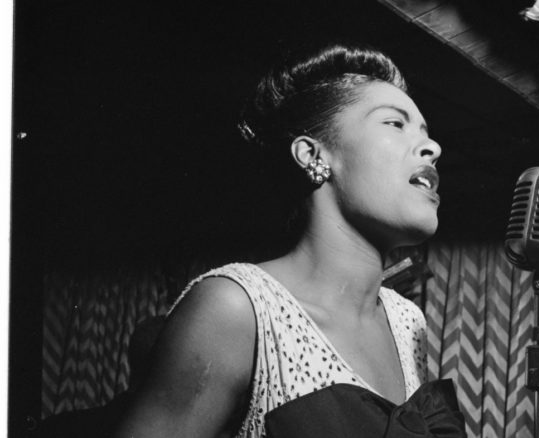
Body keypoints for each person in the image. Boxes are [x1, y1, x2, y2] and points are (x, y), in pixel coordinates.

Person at [112, 42, 465, 438]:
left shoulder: (407, 322)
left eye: (426, 133)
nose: (432, 148)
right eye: (394, 124)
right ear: (313, 155)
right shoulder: (237, 308)